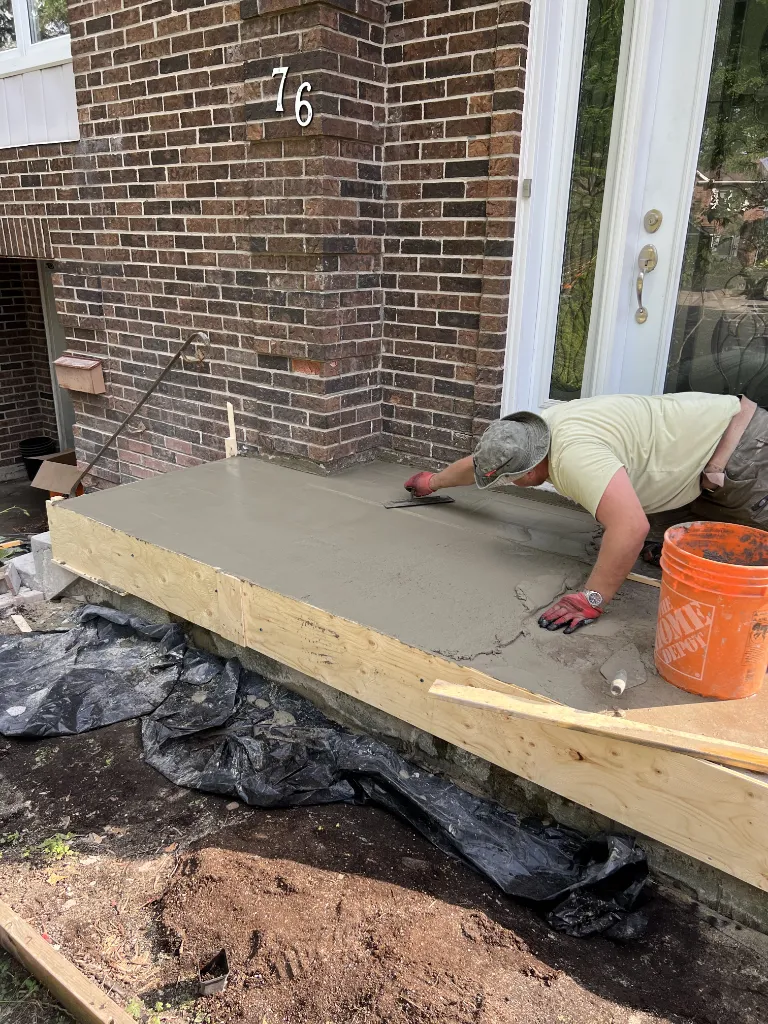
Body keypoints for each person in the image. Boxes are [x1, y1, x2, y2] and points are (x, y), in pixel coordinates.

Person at [404, 393, 767, 634]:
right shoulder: (538, 431)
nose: (510, 484)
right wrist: (434, 481)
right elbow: (483, 463)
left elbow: (629, 527)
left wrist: (591, 598)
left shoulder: (573, 460)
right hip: (699, 447)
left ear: (530, 473)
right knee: (664, 537)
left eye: (511, 481)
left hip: (743, 450)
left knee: (751, 556)